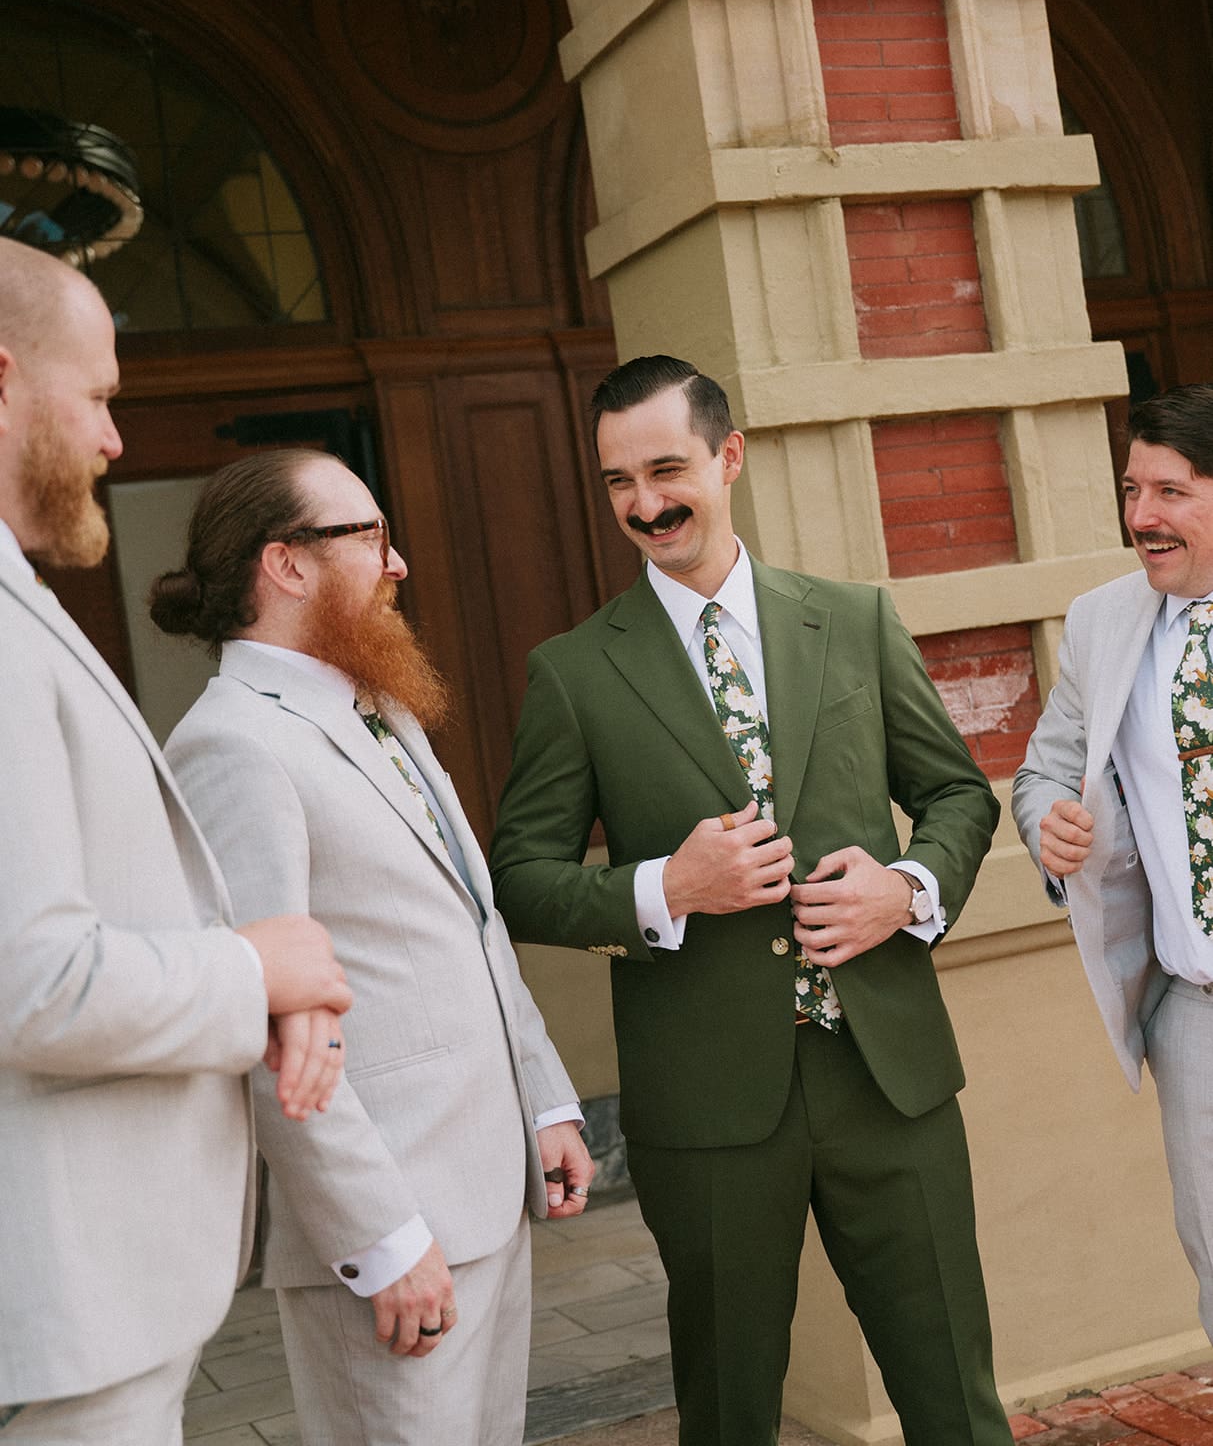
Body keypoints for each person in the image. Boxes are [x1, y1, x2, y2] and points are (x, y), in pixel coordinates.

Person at [490, 355, 1012, 1446]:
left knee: (955, 1404)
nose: (645, 503)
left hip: (891, 1081)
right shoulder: (574, 671)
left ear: (729, 457)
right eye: (618, 482)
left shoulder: (854, 620)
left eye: (667, 468)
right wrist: (663, 887)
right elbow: (521, 878)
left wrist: (904, 888)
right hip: (709, 1111)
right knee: (728, 1412)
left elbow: (957, 793)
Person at [150, 447, 593, 1446]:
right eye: (373, 537)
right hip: (394, 1228)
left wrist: (546, 1096)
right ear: (288, 564)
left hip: (488, 1193)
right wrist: (380, 1238)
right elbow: (264, 1027)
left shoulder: (380, 706)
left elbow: (467, 929)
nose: (399, 565)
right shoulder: (230, 745)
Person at [0, 237, 353, 1445]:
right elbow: (33, 984)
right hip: (61, 1317)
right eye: (97, 396)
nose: (112, 438)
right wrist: (264, 966)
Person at [1013, 381, 1213, 1341]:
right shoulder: (1100, 623)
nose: (1142, 517)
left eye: (1169, 492)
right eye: (1131, 491)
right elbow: (1044, 768)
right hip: (1194, 1014)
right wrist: (1048, 820)